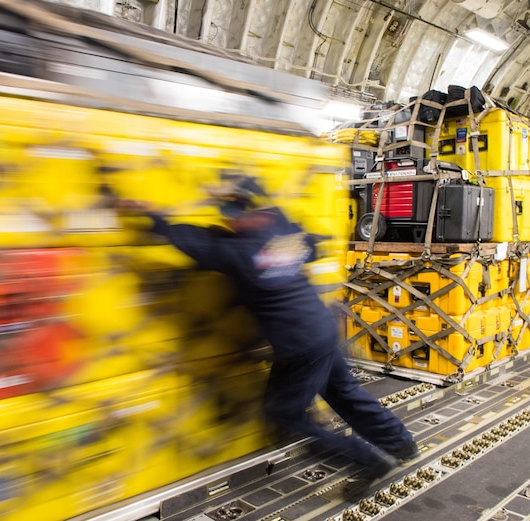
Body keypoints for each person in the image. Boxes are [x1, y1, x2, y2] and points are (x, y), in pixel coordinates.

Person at [118, 187, 418, 497]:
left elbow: (188, 240)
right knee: (344, 392)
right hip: (322, 328)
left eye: (232, 218)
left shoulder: (237, 252)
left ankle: (368, 460)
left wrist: (147, 212)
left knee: (284, 417)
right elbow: (311, 244)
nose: (231, 223)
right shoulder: (281, 230)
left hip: (300, 346)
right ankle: (400, 443)